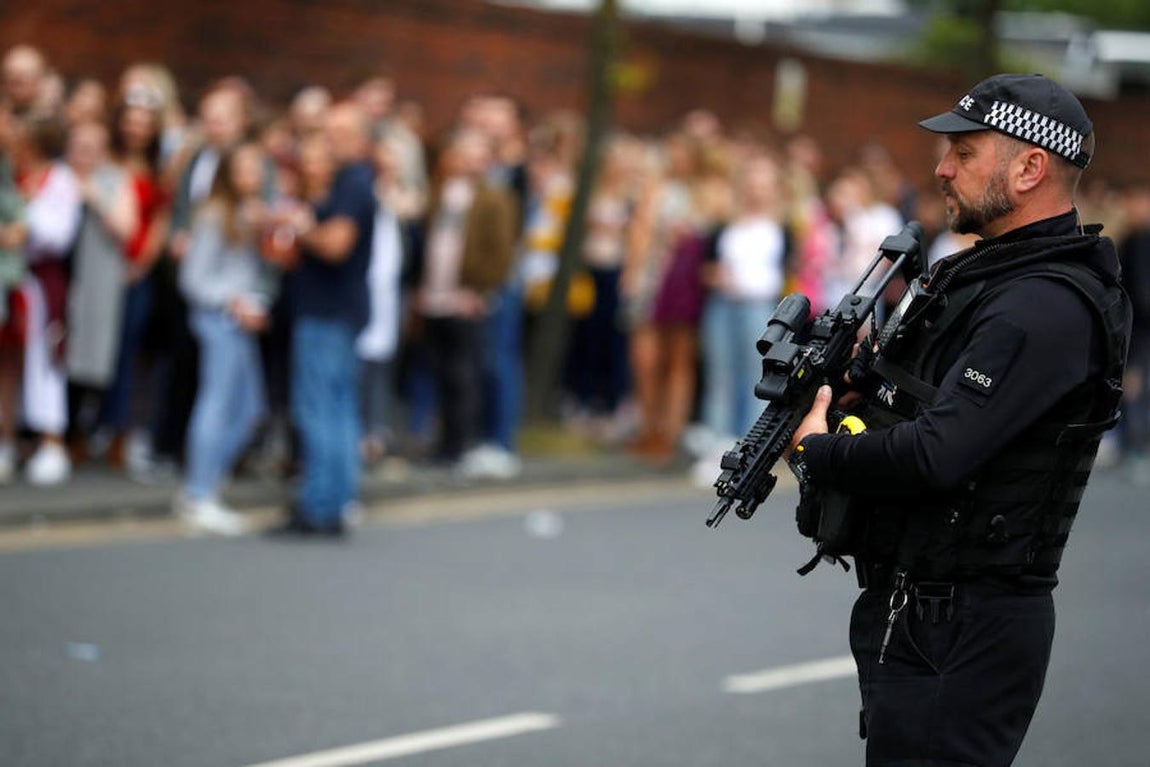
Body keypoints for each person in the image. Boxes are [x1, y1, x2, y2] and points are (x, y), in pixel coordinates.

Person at [787, 74, 1132, 766]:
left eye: (965, 152)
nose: (942, 168)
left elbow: (938, 452)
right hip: (924, 611)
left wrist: (817, 452)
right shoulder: (991, 276)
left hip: (966, 625)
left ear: (1030, 168)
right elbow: (928, 408)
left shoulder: (1043, 303)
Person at [277, 102, 376, 537]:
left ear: (360, 138)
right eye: (328, 131)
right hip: (337, 312)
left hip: (326, 313)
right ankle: (336, 501)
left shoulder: (353, 184)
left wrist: (300, 227)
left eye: (340, 133)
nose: (330, 140)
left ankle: (318, 505)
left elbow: (336, 245)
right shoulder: (349, 182)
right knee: (338, 409)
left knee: (317, 409)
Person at [175, 143, 276, 536]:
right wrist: (233, 301)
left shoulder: (254, 213)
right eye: (244, 169)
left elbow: (254, 273)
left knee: (250, 408)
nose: (253, 176)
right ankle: (199, 493)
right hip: (217, 320)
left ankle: (207, 482)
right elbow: (193, 280)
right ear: (228, 175)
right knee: (216, 403)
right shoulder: (214, 214)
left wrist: (256, 301)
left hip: (239, 320)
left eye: (257, 168)